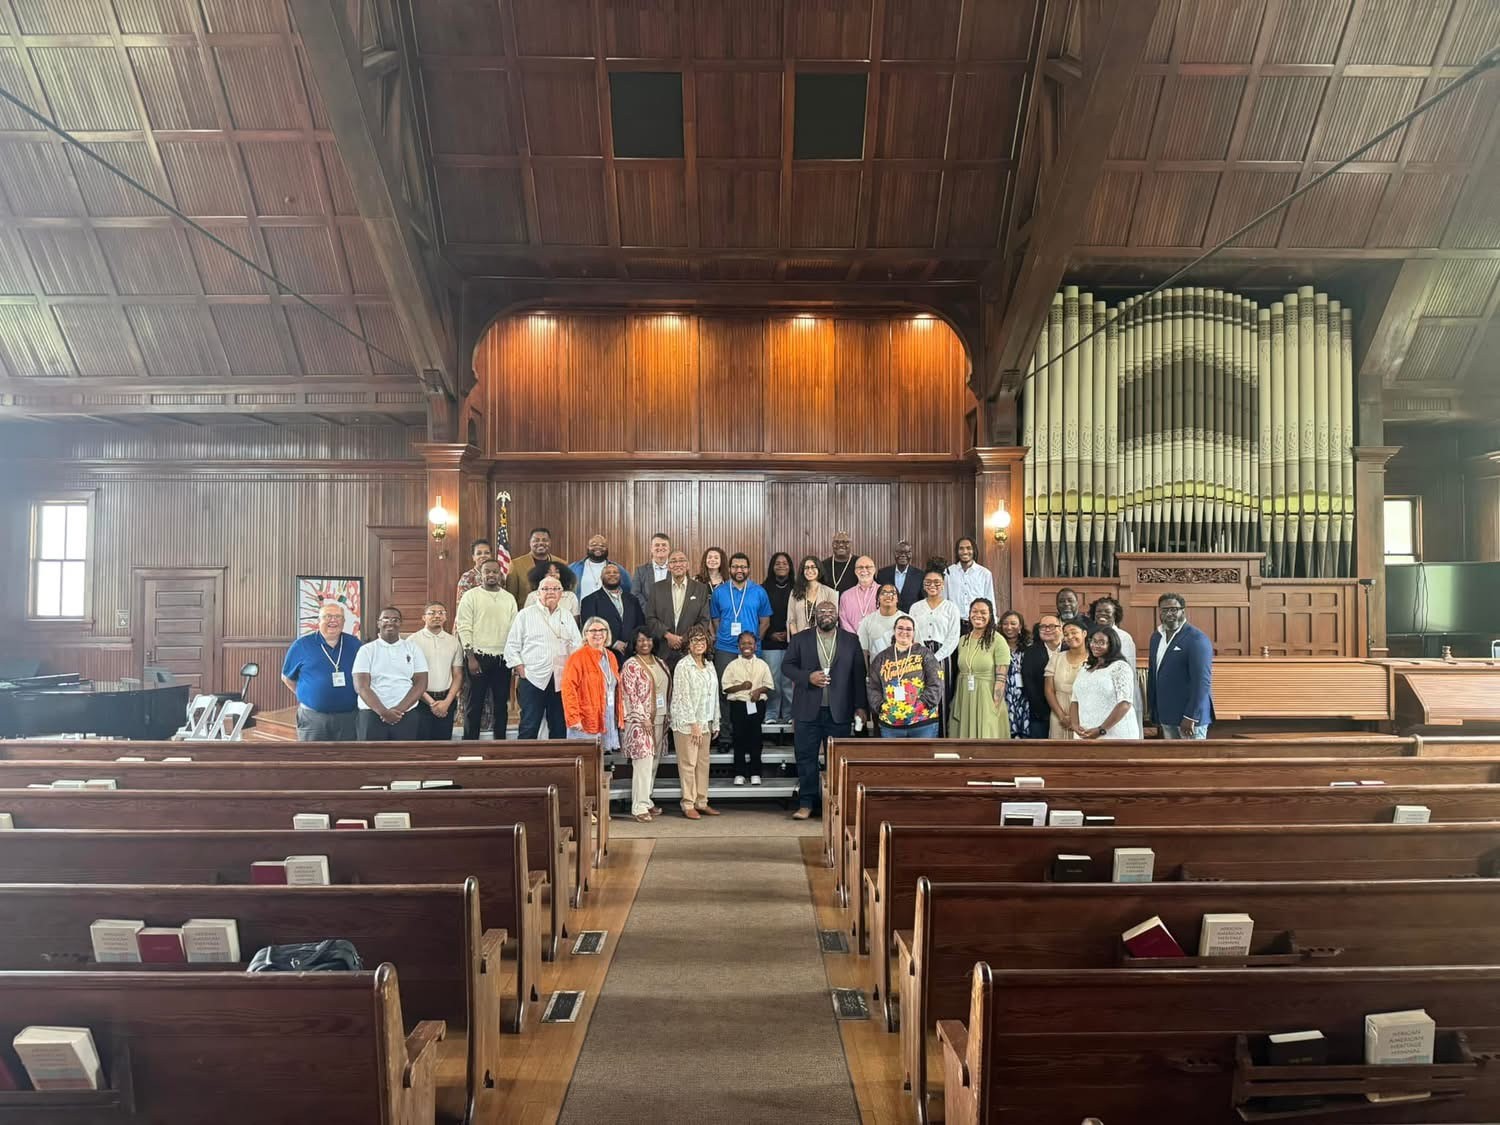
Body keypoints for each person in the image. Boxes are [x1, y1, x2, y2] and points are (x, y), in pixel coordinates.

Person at [782, 600, 868, 819]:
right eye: (822, 611)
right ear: (815, 615)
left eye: (831, 611)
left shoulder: (851, 640)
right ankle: (806, 803)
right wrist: (807, 677)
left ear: (837, 614)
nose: (826, 614)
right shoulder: (802, 639)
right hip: (807, 710)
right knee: (806, 758)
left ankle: (836, 805)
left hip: (839, 711)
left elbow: (858, 676)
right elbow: (787, 666)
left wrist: (860, 707)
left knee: (838, 760)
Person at [503, 576, 581, 738]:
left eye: (555, 589)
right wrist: (521, 670)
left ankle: (556, 763)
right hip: (532, 678)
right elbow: (511, 647)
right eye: (546, 589)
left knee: (559, 726)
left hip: (561, 680)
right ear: (537, 593)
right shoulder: (525, 615)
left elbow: (577, 646)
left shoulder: (566, 616)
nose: (551, 592)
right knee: (529, 725)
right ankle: (526, 762)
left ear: (561, 593)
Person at [709, 553, 772, 735]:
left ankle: (748, 734)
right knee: (725, 691)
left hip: (751, 651)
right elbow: (715, 620)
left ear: (749, 569)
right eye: (735, 566)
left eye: (743, 566)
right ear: (729, 569)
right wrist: (726, 638)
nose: (739, 570)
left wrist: (752, 644)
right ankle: (727, 735)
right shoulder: (720, 592)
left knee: (751, 689)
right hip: (725, 649)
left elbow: (765, 621)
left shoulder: (759, 591)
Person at [280, 601, 361, 740]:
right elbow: (287, 677)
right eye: (328, 616)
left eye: (338, 617)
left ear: (344, 621)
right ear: (319, 621)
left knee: (346, 760)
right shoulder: (302, 645)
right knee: (314, 760)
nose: (333, 620)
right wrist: (307, 695)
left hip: (349, 718)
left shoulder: (355, 644)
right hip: (313, 718)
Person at [455, 559, 518, 740]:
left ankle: (500, 744)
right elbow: (464, 627)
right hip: (478, 658)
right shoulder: (471, 596)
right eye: (487, 572)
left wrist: (512, 658)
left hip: (502, 659)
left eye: (494, 572)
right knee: (474, 703)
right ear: (480, 575)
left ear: (500, 574)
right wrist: (470, 657)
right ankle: (469, 744)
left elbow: (514, 630)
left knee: (500, 705)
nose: (491, 575)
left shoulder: (509, 598)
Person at [351, 606, 428, 740]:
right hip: (372, 714)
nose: (390, 622)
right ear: (378, 623)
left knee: (403, 759)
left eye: (395, 619)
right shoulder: (367, 650)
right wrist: (384, 712)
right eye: (385, 618)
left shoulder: (413, 648)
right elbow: (361, 687)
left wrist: (398, 710)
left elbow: (421, 684)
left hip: (406, 714)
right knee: (371, 759)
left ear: (400, 623)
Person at [1147, 591, 1215, 739]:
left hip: (1190, 719)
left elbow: (1202, 682)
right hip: (1166, 714)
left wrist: (1191, 716)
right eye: (1165, 609)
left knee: (1194, 761)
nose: (1169, 613)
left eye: (1174, 609)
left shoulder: (1197, 639)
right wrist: (1154, 711)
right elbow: (1154, 674)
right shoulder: (1156, 637)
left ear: (1183, 611)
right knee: (1173, 760)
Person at [670, 625, 720, 819]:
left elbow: (714, 695)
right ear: (688, 645)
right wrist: (694, 724)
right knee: (688, 764)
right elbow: (682, 697)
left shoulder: (709, 665)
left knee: (702, 764)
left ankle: (702, 801)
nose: (699, 644)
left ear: (707, 643)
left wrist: (715, 721)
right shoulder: (684, 666)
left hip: (705, 721)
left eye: (702, 640)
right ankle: (688, 803)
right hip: (687, 724)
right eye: (694, 641)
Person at [866, 615, 943, 738]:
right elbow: (872, 687)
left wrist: (920, 705)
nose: (904, 632)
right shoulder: (881, 658)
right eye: (900, 628)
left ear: (914, 632)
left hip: (922, 723)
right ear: (894, 630)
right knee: (893, 758)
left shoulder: (924, 654)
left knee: (923, 757)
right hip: (890, 724)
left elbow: (936, 682)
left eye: (908, 629)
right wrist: (882, 706)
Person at [619, 627, 668, 822]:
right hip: (641, 722)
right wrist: (643, 717)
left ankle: (646, 800)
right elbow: (629, 695)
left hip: (660, 718)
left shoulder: (660, 662)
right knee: (643, 763)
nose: (645, 643)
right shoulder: (631, 665)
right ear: (634, 643)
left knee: (654, 762)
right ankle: (638, 807)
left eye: (648, 639)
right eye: (640, 640)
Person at [950, 598, 1012, 739]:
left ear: (990, 616)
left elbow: (1002, 679)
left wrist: (994, 707)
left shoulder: (998, 640)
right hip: (964, 695)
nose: (978, 615)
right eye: (974, 611)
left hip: (986, 697)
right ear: (969, 614)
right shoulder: (963, 640)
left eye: (983, 612)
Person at [561, 618, 624, 751]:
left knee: (602, 761)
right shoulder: (577, 657)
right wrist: (573, 718)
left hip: (608, 716)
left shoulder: (611, 656)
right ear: (585, 634)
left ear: (607, 633)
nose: (598, 633)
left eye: (602, 630)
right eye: (593, 630)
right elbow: (568, 689)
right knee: (586, 761)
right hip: (586, 719)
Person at [722, 628, 773, 785]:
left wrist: (758, 690)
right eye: (743, 643)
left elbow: (769, 685)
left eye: (750, 643)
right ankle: (740, 773)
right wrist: (741, 687)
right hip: (738, 705)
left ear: (755, 646)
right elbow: (726, 688)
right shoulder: (732, 665)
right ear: (738, 646)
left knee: (755, 738)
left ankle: (755, 772)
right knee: (739, 738)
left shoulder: (762, 665)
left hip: (756, 705)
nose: (747, 646)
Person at [1071, 626, 1142, 739]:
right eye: (1093, 641)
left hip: (1114, 734)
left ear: (1112, 645)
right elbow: (1075, 699)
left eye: (1101, 642)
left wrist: (1101, 729)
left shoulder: (1120, 667)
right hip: (1085, 732)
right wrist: (1074, 724)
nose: (1095, 645)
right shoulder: (1085, 668)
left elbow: (1125, 703)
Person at [645, 549, 711, 667]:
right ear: (668, 566)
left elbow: (704, 620)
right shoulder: (656, 589)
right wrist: (668, 635)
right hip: (663, 649)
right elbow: (650, 617)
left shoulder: (700, 589)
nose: (678, 564)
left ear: (687, 565)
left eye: (681, 560)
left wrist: (684, 638)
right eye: (673, 561)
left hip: (690, 650)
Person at [407, 601, 463, 741]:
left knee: (443, 744)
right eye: (432, 613)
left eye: (441, 613)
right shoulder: (412, 641)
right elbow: (409, 675)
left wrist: (447, 702)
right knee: (422, 745)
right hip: (421, 701)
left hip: (447, 701)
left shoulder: (453, 642)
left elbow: (458, 675)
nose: (437, 616)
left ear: (445, 617)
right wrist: (431, 703)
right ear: (423, 617)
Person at [578, 562, 645, 663]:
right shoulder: (589, 601)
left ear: (620, 576)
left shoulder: (632, 600)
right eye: (608, 573)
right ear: (601, 577)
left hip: (631, 655)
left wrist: (633, 643)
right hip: (603, 655)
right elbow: (589, 628)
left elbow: (641, 624)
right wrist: (614, 643)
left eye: (615, 572)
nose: (612, 574)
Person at [1091, 595, 1143, 719]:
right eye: (1098, 611)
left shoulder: (1124, 637)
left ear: (1115, 615)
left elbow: (1127, 669)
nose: (1102, 614)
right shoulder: (1092, 634)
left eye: (1107, 611)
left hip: (1118, 691)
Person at [761, 552, 794, 723]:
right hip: (770, 642)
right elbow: (760, 616)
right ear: (772, 567)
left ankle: (789, 714)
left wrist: (789, 633)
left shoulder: (797, 588)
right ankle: (771, 714)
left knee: (789, 681)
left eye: (785, 563)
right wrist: (771, 633)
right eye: (777, 563)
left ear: (790, 567)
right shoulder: (763, 588)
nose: (781, 566)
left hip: (792, 642)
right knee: (772, 679)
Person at [1044, 620, 1091, 739]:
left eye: (1074, 632)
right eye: (1066, 634)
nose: (1070, 637)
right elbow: (1049, 690)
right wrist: (1061, 716)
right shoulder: (1056, 658)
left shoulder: (1094, 659)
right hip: (1058, 713)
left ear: (1084, 633)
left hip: (1085, 714)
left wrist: (1076, 719)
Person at [1020, 613, 1062, 738]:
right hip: (1040, 714)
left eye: (1052, 626)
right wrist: (1044, 712)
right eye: (1043, 627)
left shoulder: (1070, 649)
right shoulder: (1031, 652)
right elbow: (1029, 683)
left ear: (1061, 628)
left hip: (1068, 711)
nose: (1047, 629)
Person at [943, 536, 995, 620]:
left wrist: (993, 622)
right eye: (961, 548)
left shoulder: (985, 573)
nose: (965, 551)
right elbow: (944, 600)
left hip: (977, 622)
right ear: (957, 551)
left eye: (968, 548)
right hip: (955, 622)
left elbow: (990, 600)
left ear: (974, 550)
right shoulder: (948, 572)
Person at [998, 610, 1031, 738]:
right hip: (1003, 693)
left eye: (1013, 623)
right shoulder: (996, 645)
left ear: (1020, 626)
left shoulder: (1030, 646)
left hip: (1024, 696)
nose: (1009, 627)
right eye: (1005, 624)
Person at [505, 526, 559, 604]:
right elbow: (511, 597)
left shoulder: (561, 564)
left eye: (545, 540)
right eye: (536, 540)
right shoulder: (516, 564)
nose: (540, 543)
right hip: (526, 613)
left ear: (550, 542)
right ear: (530, 542)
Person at [571, 534, 632, 601]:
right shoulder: (574, 568)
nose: (598, 547)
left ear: (607, 549)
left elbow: (628, 590)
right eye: (593, 545)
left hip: (609, 610)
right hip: (581, 610)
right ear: (588, 547)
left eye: (602, 546)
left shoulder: (618, 569)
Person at [857, 583, 903, 659]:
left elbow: (917, 648)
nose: (888, 595)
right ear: (878, 598)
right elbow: (863, 651)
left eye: (892, 593)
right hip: (876, 669)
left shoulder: (908, 620)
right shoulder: (867, 621)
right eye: (884, 593)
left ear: (897, 598)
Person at [837, 555, 880, 634]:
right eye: (860, 567)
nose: (864, 570)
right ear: (855, 571)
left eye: (868, 567)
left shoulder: (883, 593)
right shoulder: (846, 596)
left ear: (874, 570)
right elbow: (843, 621)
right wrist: (855, 639)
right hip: (851, 643)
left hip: (877, 641)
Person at [875, 540, 921, 611]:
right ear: (894, 554)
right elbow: (878, 597)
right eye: (899, 552)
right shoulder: (882, 574)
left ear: (911, 554)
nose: (903, 555)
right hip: (888, 617)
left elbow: (922, 600)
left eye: (906, 552)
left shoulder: (919, 575)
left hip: (910, 618)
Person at [631, 533, 672, 611]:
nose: (660, 547)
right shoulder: (640, 571)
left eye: (664, 545)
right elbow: (635, 593)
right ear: (651, 549)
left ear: (669, 549)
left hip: (671, 618)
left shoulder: (675, 570)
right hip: (647, 617)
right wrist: (649, 611)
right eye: (657, 545)